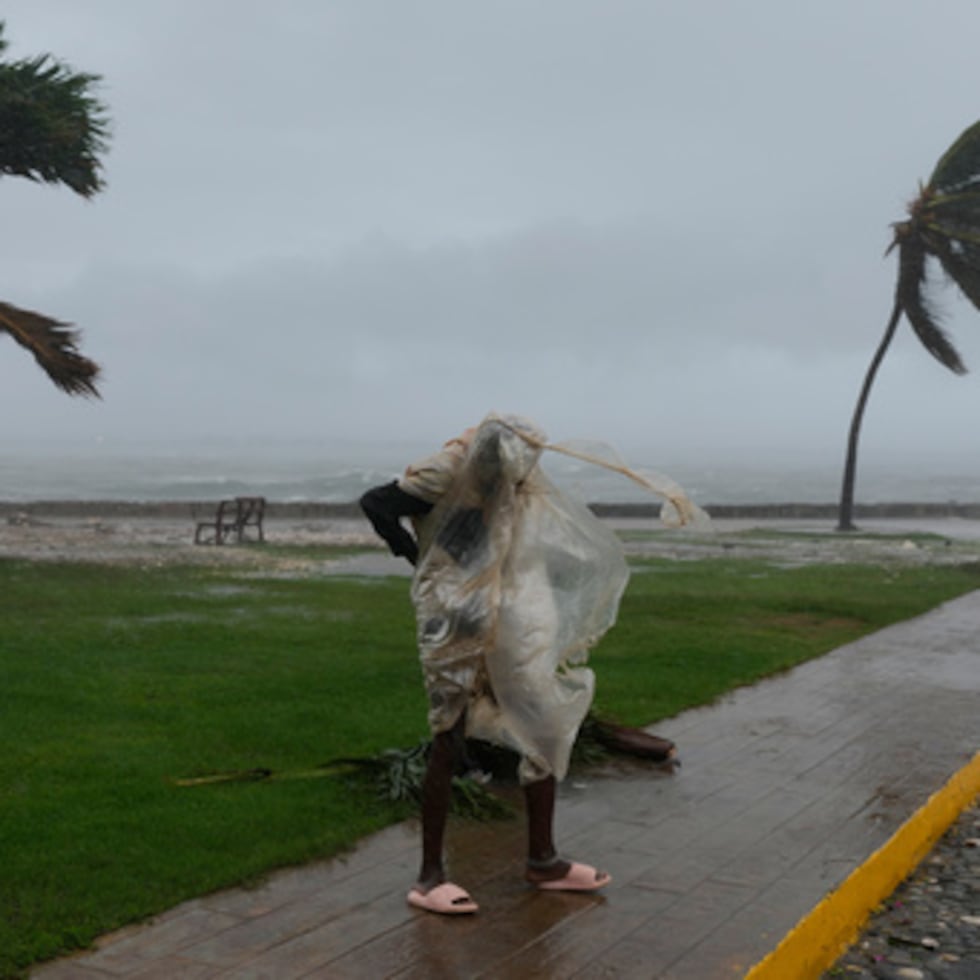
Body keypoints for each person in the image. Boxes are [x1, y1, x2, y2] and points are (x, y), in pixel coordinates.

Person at [360, 413, 631, 915]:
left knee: (543, 722)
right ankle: (428, 877)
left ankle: (544, 860)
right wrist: (416, 555)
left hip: (509, 606)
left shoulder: (521, 473)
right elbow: (376, 502)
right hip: (455, 609)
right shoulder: (444, 471)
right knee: (450, 731)